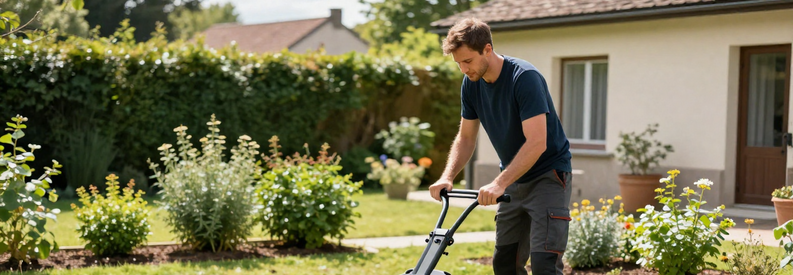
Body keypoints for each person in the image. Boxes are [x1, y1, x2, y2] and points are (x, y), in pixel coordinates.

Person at [428, 17, 573, 275]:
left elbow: (537, 142)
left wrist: (499, 183)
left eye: (468, 61)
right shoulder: (471, 84)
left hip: (547, 177)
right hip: (513, 179)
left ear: (487, 49)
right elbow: (466, 138)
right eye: (458, 63)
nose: (463, 69)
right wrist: (447, 177)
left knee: (544, 264)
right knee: (505, 264)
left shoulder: (524, 78)